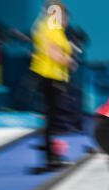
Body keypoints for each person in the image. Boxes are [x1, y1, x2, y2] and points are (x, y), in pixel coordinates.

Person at [29, 0, 75, 170]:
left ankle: (52, 155)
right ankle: (50, 157)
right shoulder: (52, 27)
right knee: (53, 119)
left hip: (47, 77)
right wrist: (69, 61)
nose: (65, 18)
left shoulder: (43, 25)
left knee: (52, 118)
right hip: (51, 77)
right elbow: (53, 53)